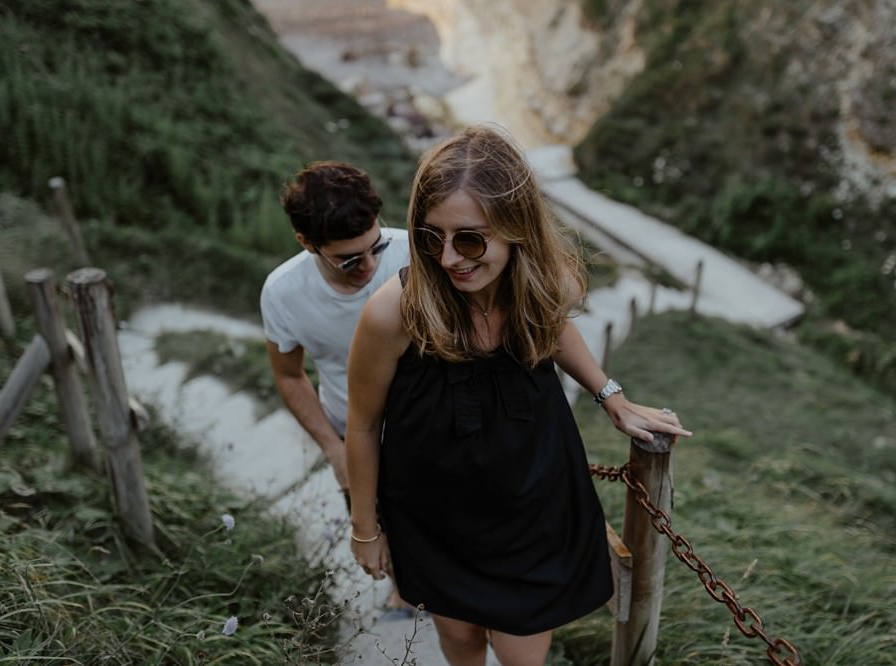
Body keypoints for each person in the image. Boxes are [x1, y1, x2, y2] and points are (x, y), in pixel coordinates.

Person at [345, 125, 692, 666]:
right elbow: (364, 425)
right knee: (461, 640)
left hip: (531, 499)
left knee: (521, 649)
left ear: (516, 227)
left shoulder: (548, 287)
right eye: (431, 237)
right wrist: (365, 530)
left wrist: (611, 396)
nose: (449, 258)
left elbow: (553, 329)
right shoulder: (394, 313)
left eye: (469, 239)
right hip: (434, 512)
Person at [259, 160, 411, 610]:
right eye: (349, 259)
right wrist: (332, 448)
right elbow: (289, 374)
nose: (368, 265)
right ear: (306, 242)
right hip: (351, 433)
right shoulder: (282, 292)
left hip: (429, 420)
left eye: (375, 247)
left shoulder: (413, 253)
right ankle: (404, 592)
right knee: (379, 532)